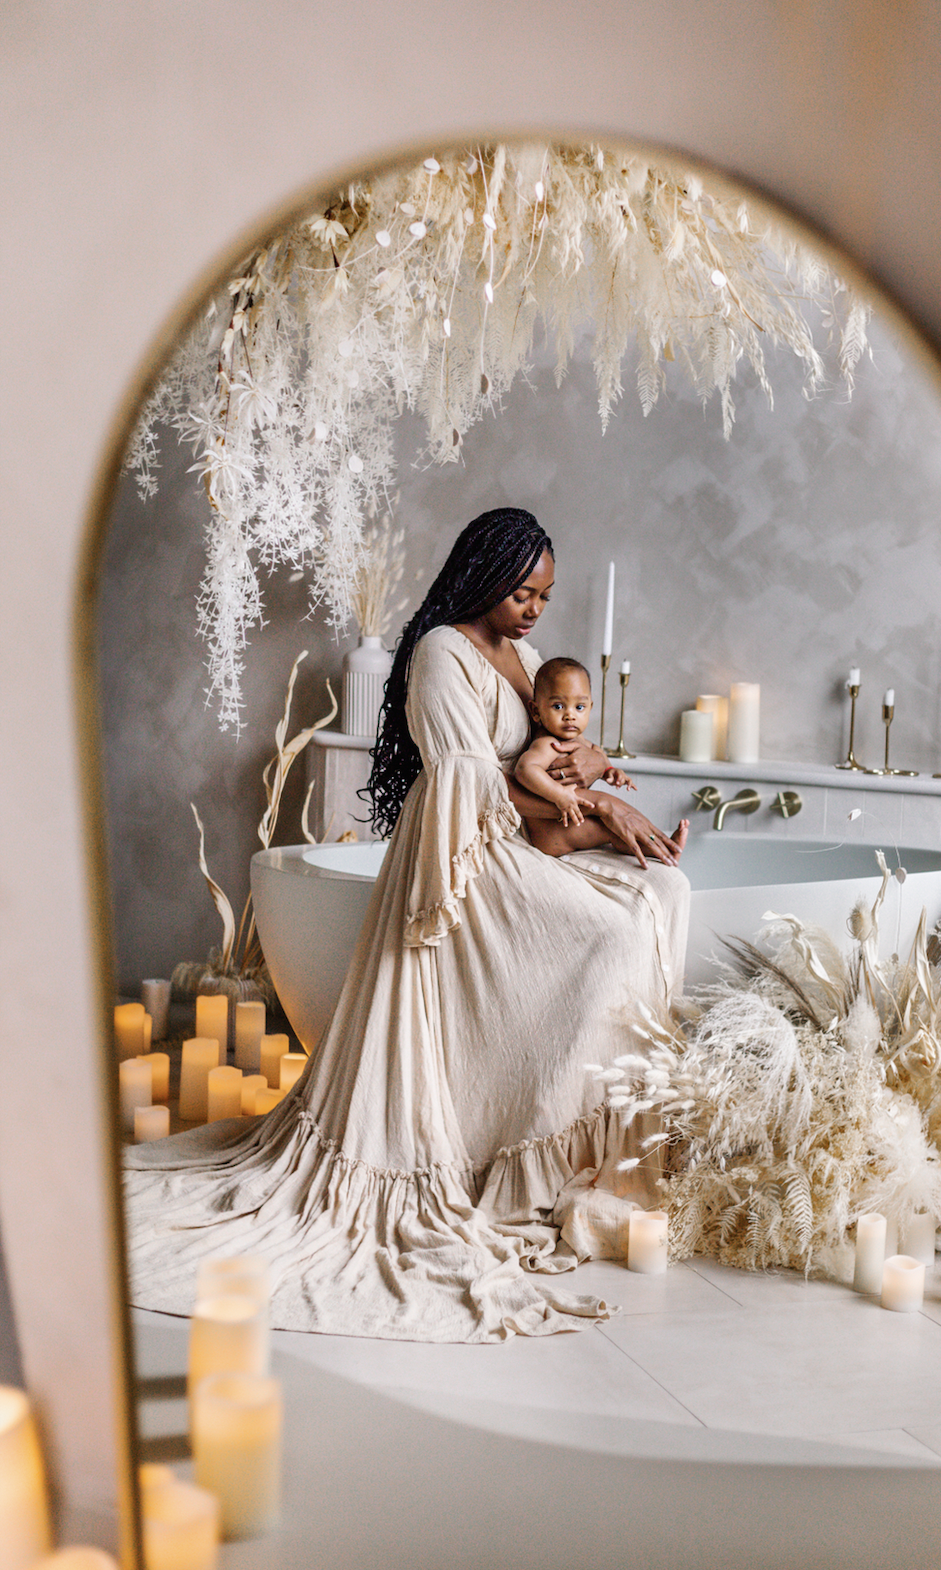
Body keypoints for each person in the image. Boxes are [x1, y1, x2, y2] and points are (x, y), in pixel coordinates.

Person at [125, 507, 690, 1344]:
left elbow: (549, 756)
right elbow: (476, 781)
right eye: (523, 590)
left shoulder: (529, 659)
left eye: (546, 594)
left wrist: (598, 794)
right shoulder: (440, 651)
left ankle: (565, 1138)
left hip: (520, 833)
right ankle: (512, 1139)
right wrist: (591, 804)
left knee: (659, 896)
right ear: (485, 574)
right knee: (605, 933)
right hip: (464, 854)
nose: (535, 609)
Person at [515, 656, 690, 860]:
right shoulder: (548, 744)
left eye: (579, 707)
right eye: (558, 706)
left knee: (613, 826)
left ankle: (661, 846)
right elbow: (525, 769)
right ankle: (663, 850)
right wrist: (559, 795)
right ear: (536, 711)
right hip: (551, 832)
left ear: (590, 707)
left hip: (571, 822)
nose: (570, 715)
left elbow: (600, 759)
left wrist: (611, 772)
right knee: (610, 830)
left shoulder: (582, 742)